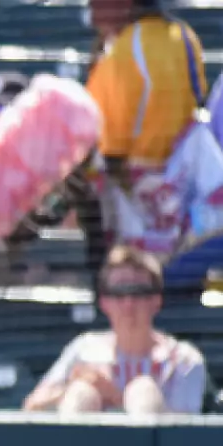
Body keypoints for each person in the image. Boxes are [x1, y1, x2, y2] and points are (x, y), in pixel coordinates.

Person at [23, 246, 206, 416]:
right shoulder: (85, 350)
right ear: (104, 302)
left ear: (157, 300)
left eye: (139, 292)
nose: (129, 303)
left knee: (144, 392)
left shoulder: (183, 360)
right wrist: (71, 387)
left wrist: (114, 396)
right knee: (81, 393)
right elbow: (31, 408)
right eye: (118, 292)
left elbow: (184, 438)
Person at [87, 0, 208, 257]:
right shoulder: (185, 36)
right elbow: (200, 94)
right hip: (181, 180)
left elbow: (109, 139)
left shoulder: (122, 49)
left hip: (133, 184)